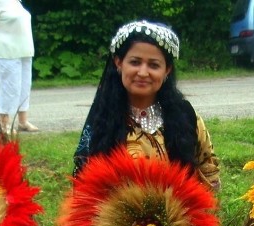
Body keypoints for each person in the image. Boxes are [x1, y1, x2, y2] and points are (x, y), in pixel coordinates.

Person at [73, 20, 220, 191]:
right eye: (135, 62)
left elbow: (208, 169)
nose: (143, 73)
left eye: (153, 65)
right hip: (113, 217)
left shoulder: (185, 116)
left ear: (167, 70)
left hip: (179, 216)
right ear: (119, 63)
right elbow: (84, 187)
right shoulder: (102, 120)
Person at [0, 0, 38, 135]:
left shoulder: (16, 2)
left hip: (24, 50)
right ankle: (4, 124)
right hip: (6, 51)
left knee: (24, 85)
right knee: (9, 87)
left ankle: (22, 121)